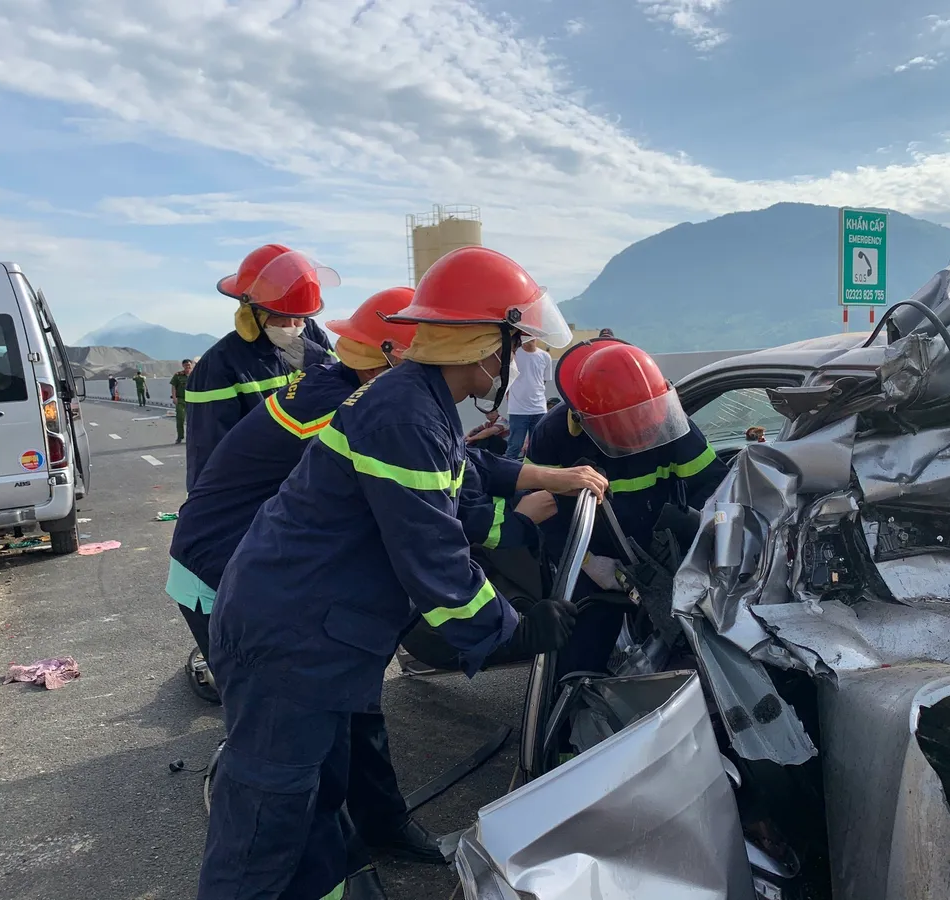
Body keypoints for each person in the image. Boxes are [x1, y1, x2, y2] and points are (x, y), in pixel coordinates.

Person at [197, 247, 607, 900]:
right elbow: (435, 555)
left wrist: (547, 477)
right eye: (511, 345)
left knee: (319, 801)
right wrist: (512, 630)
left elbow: (461, 472)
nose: (514, 359)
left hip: (318, 634)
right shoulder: (403, 413)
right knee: (265, 820)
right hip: (291, 639)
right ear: (480, 346)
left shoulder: (418, 402)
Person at [169, 288, 447, 887]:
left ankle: (369, 834)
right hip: (235, 567)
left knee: (350, 713)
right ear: (394, 354)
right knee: (283, 761)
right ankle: (321, 855)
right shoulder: (336, 394)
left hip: (268, 557)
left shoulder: (331, 365)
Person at [525, 336, 728, 678]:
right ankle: (571, 719)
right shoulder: (554, 437)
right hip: (590, 560)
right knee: (580, 652)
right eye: (624, 424)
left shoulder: (669, 423)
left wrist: (697, 545)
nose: (639, 432)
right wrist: (588, 563)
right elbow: (540, 511)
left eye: (644, 419)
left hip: (660, 555)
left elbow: (713, 486)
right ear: (583, 419)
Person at [184, 244, 336, 490]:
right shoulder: (219, 367)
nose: (292, 326)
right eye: (280, 316)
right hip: (258, 494)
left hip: (311, 488)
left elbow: (345, 397)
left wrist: (324, 364)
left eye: (299, 317)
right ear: (252, 311)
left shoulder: (313, 338)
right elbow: (209, 456)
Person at [504, 337, 553, 459]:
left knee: (538, 446)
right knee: (515, 446)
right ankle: (508, 474)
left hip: (539, 409)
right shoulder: (514, 354)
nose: (529, 338)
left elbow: (543, 381)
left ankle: (534, 474)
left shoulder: (545, 357)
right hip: (518, 410)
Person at [171, 359, 192, 444]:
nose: (188, 366)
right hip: (181, 400)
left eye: (189, 365)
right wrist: (174, 398)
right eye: (186, 365)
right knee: (180, 418)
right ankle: (180, 436)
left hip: (192, 400)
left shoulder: (195, 375)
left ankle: (191, 437)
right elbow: (173, 386)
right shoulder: (178, 375)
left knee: (192, 420)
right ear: (183, 366)